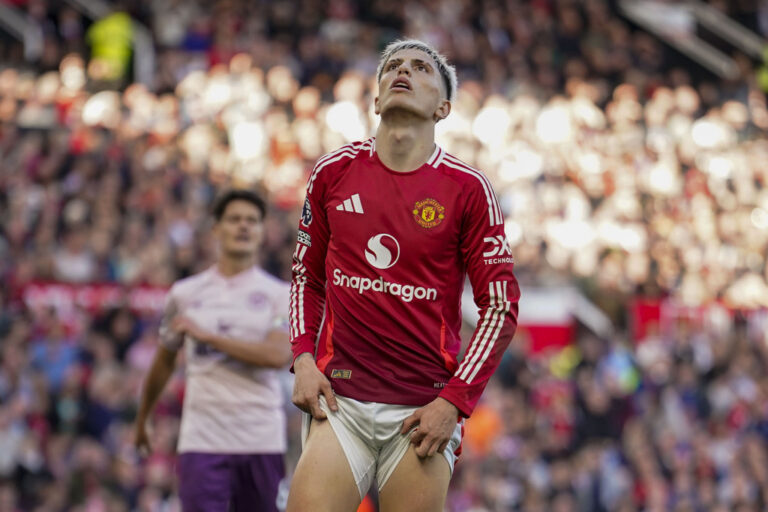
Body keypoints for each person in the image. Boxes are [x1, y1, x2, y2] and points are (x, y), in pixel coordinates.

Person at [287, 39, 521, 512]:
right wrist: (303, 360)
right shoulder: (333, 171)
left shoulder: (468, 189)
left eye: (420, 68)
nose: (403, 71)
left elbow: (500, 307)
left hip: (423, 407)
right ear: (376, 100)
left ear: (443, 108)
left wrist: (453, 402)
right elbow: (306, 278)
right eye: (393, 66)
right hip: (341, 397)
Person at [134, 189, 292, 512]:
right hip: (202, 439)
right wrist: (143, 417)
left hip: (260, 437)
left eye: (252, 221)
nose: (243, 226)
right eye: (234, 219)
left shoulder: (279, 295)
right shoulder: (185, 294)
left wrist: (210, 337)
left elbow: (277, 356)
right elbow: (163, 362)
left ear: (262, 231)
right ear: (216, 229)